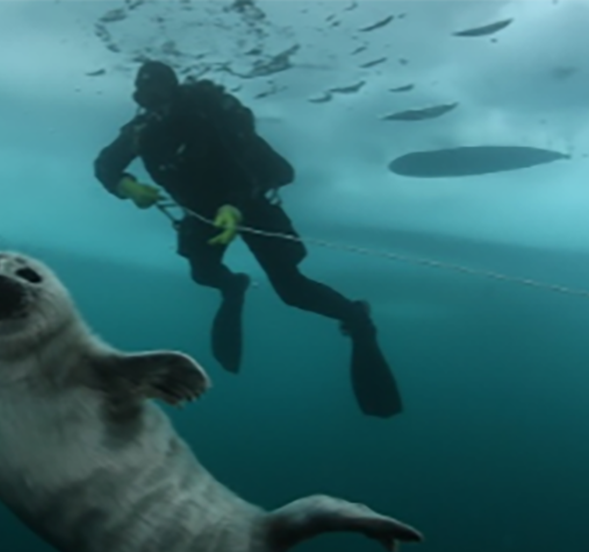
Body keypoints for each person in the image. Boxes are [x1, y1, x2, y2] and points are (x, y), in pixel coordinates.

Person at [93, 60, 402, 418]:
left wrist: (235, 206)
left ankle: (357, 319)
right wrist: (126, 186)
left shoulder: (206, 117)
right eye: (144, 96)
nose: (153, 103)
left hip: (251, 204)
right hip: (202, 214)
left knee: (291, 289)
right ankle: (234, 287)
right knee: (204, 274)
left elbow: (241, 165)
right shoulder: (142, 129)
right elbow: (105, 164)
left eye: (158, 93)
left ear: (173, 90)